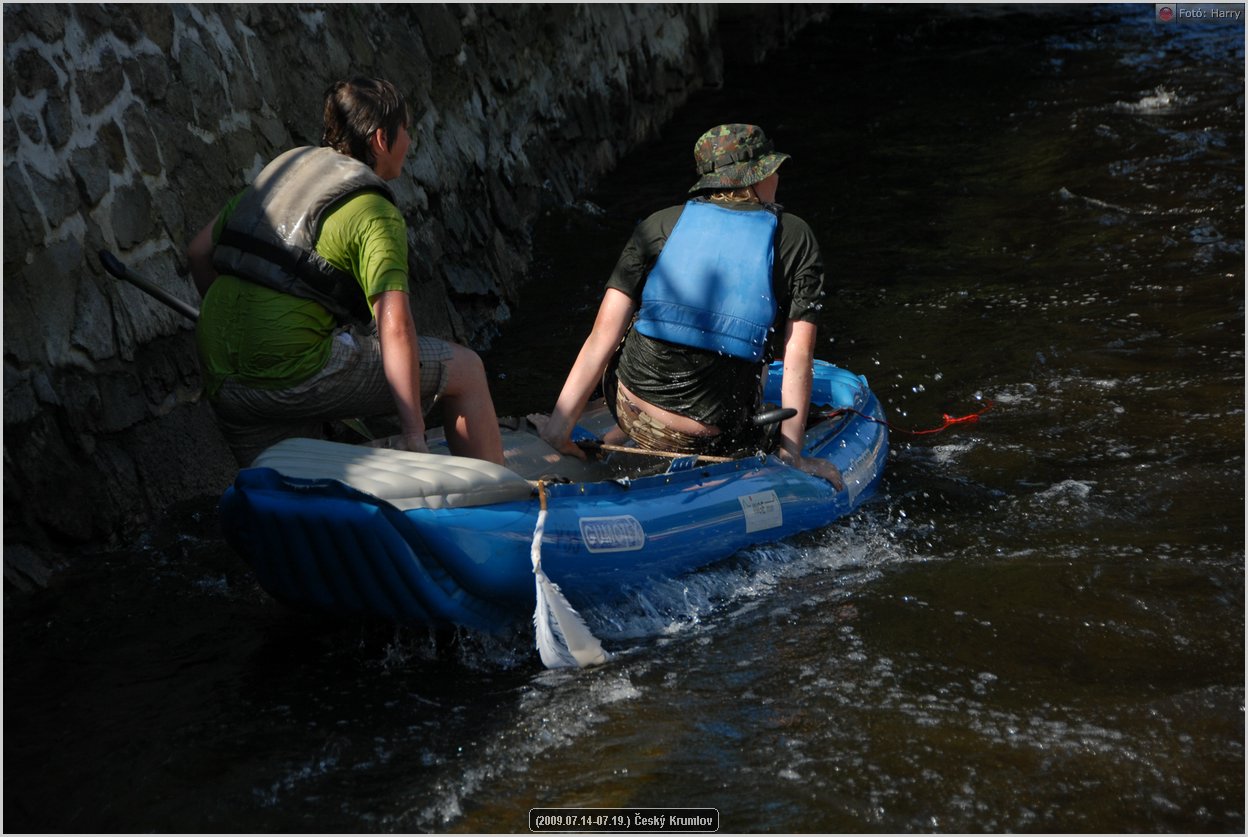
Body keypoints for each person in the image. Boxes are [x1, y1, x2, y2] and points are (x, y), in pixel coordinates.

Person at [187, 77, 503, 467]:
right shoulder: (375, 212)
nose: (410, 140)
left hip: (219, 372)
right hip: (288, 372)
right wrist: (414, 435)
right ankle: (503, 501)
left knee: (288, 490)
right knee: (467, 371)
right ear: (381, 141)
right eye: (405, 129)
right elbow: (395, 329)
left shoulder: (286, 168)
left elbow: (199, 251)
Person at [538, 123, 844, 490]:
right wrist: (793, 456)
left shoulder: (658, 225)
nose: (778, 177)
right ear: (756, 178)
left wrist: (559, 431)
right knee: (757, 346)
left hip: (630, 411)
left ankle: (617, 434)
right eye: (773, 169)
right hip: (710, 437)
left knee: (645, 326)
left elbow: (601, 336)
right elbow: (798, 355)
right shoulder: (794, 237)